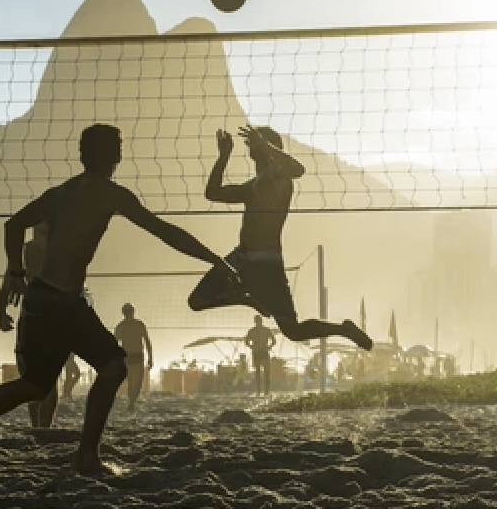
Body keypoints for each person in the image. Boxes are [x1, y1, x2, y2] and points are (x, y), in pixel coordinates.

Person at [0, 124, 240, 472]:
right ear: (109, 155)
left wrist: (15, 272)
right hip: (56, 303)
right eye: (116, 147)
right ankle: (84, 455)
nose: (119, 153)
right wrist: (216, 260)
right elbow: (164, 231)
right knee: (101, 370)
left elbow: (13, 226)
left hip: (54, 300)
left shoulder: (61, 193)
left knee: (40, 385)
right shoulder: (108, 193)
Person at [189, 126, 373, 351]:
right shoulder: (252, 186)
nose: (250, 148)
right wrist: (224, 156)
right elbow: (212, 193)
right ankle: (245, 298)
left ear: (267, 148)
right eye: (251, 144)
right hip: (242, 257)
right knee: (196, 302)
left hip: (267, 263)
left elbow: (298, 169)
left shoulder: (280, 178)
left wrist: (265, 145)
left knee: (293, 331)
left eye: (254, 143)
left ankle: (344, 329)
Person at [22, 223, 61, 428]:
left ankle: (43, 426)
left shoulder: (57, 250)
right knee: (32, 376)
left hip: (52, 312)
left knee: (49, 376)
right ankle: (38, 425)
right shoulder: (29, 250)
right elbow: (14, 274)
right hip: (35, 311)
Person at [114, 303, 152, 411]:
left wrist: (116, 359)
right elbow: (147, 341)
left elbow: (114, 343)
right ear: (133, 311)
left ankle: (131, 402)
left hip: (127, 355)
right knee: (138, 381)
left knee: (131, 380)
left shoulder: (120, 326)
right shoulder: (139, 324)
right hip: (137, 354)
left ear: (123, 313)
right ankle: (132, 402)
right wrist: (150, 357)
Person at [243, 315, 278, 396]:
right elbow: (247, 341)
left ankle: (265, 391)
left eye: (258, 321)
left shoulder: (262, 330)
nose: (258, 322)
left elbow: (273, 340)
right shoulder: (255, 331)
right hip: (259, 352)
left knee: (264, 372)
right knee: (259, 372)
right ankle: (260, 391)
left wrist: (268, 347)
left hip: (261, 352)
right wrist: (252, 346)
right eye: (257, 321)